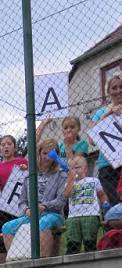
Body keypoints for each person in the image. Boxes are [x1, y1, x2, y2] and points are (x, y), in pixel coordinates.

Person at [1, 139, 66, 258]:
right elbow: (22, 201)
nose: (47, 158)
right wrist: (27, 210)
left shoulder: (60, 175)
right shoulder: (29, 175)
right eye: (44, 153)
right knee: (7, 228)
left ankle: (43, 260)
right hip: (32, 215)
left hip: (53, 214)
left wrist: (44, 206)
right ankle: (18, 261)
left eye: (51, 154)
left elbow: (61, 201)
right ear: (39, 154)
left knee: (43, 223)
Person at [0, 134, 29, 262]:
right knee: (3, 233)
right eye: (3, 144)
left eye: (9, 144)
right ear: (0, 148)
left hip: (20, 203)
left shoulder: (22, 162)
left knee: (21, 232)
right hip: (3, 206)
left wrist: (26, 169)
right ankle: (4, 263)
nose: (6, 147)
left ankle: (23, 258)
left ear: (14, 147)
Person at [63, 155, 108, 254]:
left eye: (77, 167)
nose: (74, 170)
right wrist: (70, 180)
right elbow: (66, 195)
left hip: (91, 215)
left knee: (89, 241)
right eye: (72, 168)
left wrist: (105, 203)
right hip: (73, 217)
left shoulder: (93, 180)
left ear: (86, 169)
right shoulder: (69, 183)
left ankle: (91, 256)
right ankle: (72, 258)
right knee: (73, 242)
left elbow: (101, 194)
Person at [89, 72, 122, 206]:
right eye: (114, 88)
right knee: (115, 205)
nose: (118, 90)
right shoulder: (100, 113)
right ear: (108, 91)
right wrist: (108, 114)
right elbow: (91, 139)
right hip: (107, 166)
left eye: (121, 87)